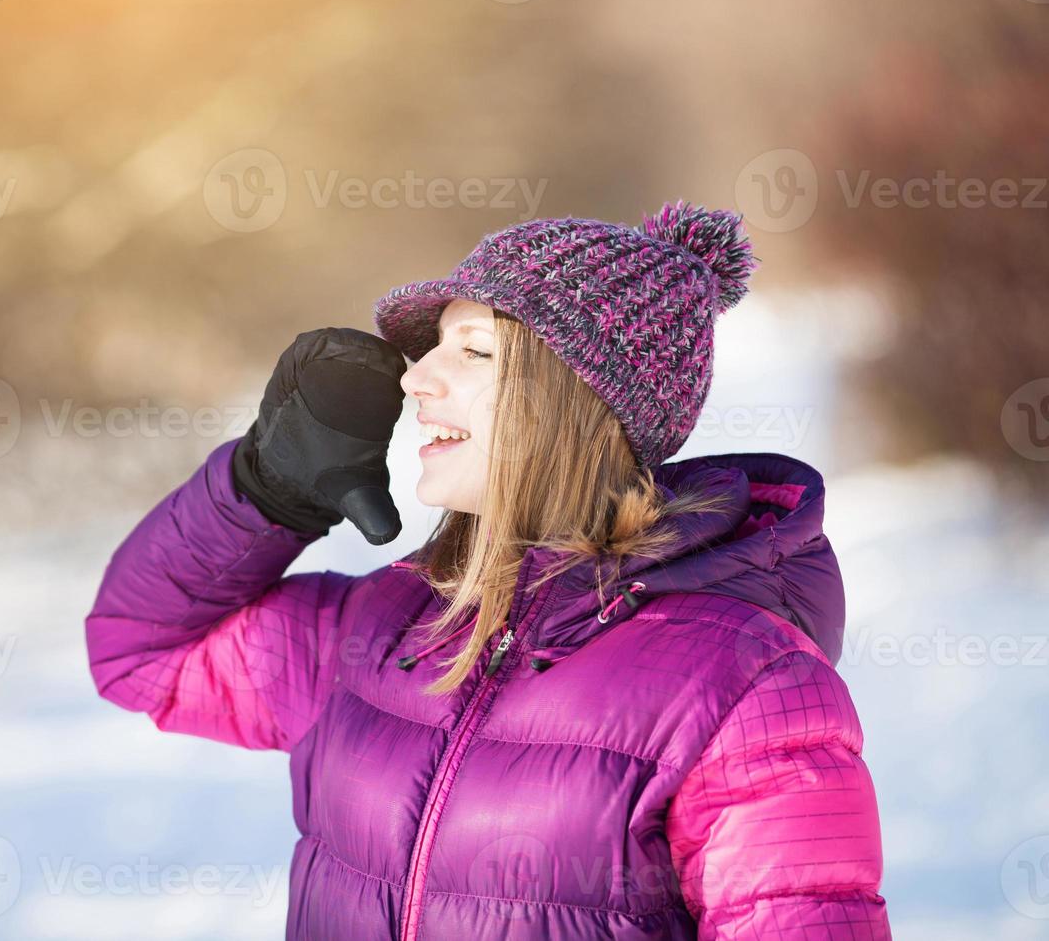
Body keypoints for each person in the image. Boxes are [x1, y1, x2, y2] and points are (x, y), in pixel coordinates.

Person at [85, 201, 892, 939]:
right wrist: (266, 488)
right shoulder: (383, 626)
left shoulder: (745, 685)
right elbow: (142, 652)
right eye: (434, 345)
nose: (416, 378)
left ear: (578, 404)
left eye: (474, 351)